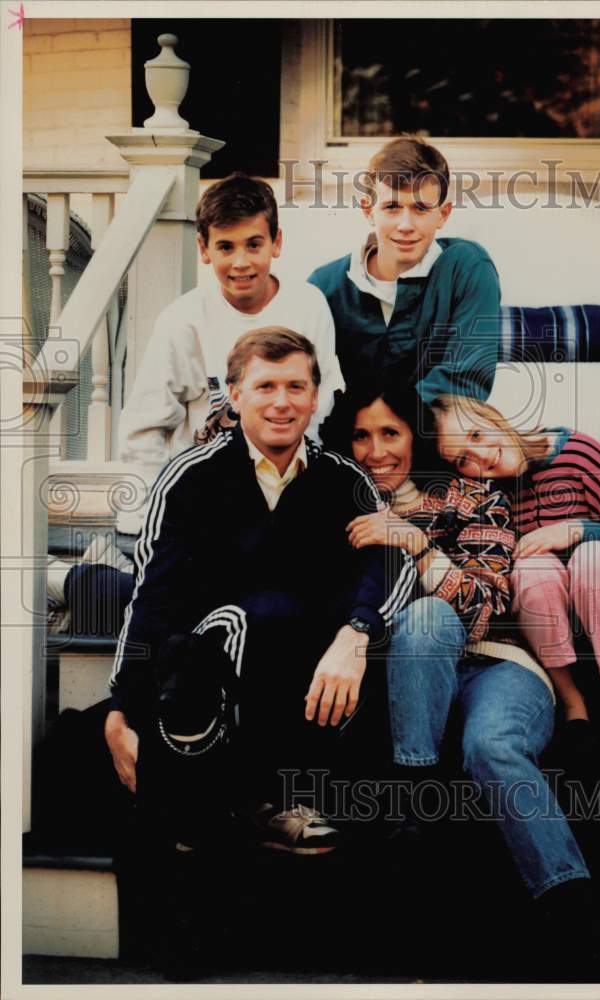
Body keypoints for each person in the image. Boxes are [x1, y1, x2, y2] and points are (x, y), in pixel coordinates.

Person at [104, 328, 416, 854]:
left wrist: (356, 633)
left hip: (307, 669)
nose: (281, 402)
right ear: (235, 394)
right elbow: (150, 597)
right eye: (266, 385)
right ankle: (246, 797)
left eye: (296, 387)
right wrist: (119, 709)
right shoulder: (188, 477)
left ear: (315, 398)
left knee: (330, 625)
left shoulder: (343, 480)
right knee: (247, 617)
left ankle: (282, 800)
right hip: (211, 662)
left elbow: (391, 561)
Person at [321, 382, 591, 915]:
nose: (377, 451)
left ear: (414, 438)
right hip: (399, 674)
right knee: (417, 625)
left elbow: (481, 607)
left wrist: (416, 543)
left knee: (492, 745)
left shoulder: (471, 497)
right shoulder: (335, 504)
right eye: (360, 436)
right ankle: (418, 800)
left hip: (495, 664)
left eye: (390, 433)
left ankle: (571, 906)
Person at [431, 394, 600, 754]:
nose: (481, 456)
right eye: (463, 459)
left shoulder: (576, 452)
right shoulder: (487, 496)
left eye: (477, 435)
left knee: (592, 558)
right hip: (549, 617)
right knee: (531, 566)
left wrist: (577, 530)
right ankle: (572, 702)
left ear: (493, 417)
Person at [116, 172, 344, 535]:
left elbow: (322, 407)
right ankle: (88, 578)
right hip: (205, 493)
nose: (241, 262)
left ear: (276, 242)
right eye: (225, 247)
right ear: (204, 249)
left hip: (286, 484)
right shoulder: (182, 320)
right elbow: (146, 424)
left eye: (254, 244)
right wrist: (150, 514)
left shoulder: (307, 306)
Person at [308, 135, 501, 404]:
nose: (406, 224)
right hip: (352, 438)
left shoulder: (467, 268)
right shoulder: (325, 285)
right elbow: (306, 382)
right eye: (392, 207)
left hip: (439, 436)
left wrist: (388, 420)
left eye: (421, 208)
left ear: (443, 214)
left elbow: (467, 378)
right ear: (368, 211)